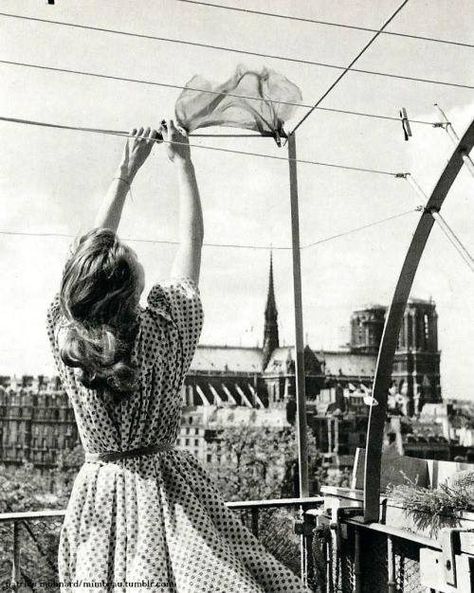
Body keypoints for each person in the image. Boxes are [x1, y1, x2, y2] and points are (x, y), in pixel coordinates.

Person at [47, 121, 312, 592]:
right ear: (135, 290)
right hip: (169, 496)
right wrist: (182, 163)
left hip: (98, 501)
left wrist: (124, 174)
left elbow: (81, 267)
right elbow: (192, 246)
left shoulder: (69, 341)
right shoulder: (165, 331)